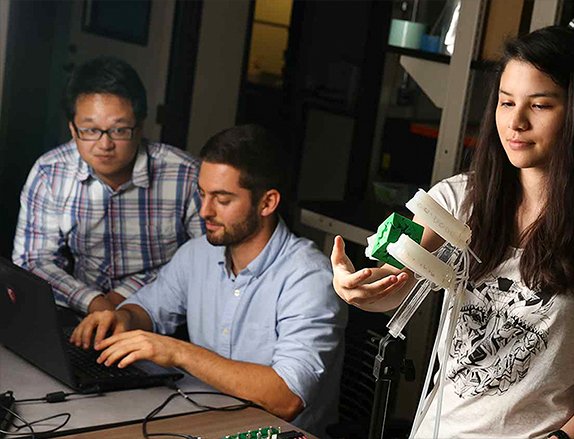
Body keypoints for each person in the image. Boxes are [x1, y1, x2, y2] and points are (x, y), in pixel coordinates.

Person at [331, 26, 574, 439]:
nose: (516, 122)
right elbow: (398, 285)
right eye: (506, 102)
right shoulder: (456, 200)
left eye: (539, 105)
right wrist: (356, 288)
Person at [69, 125, 347, 436]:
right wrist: (122, 318)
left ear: (267, 203)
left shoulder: (309, 277)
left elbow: (287, 397)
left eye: (222, 199)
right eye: (202, 194)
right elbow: (148, 308)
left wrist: (178, 352)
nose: (204, 211)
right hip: (202, 418)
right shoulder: (197, 254)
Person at [13, 56, 204, 314]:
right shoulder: (50, 172)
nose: (104, 145)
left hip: (159, 315)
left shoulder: (186, 175)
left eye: (119, 130)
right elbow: (33, 260)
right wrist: (93, 302)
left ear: (139, 127)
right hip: (78, 311)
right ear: (73, 129)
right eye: (90, 130)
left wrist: (118, 298)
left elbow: (206, 261)